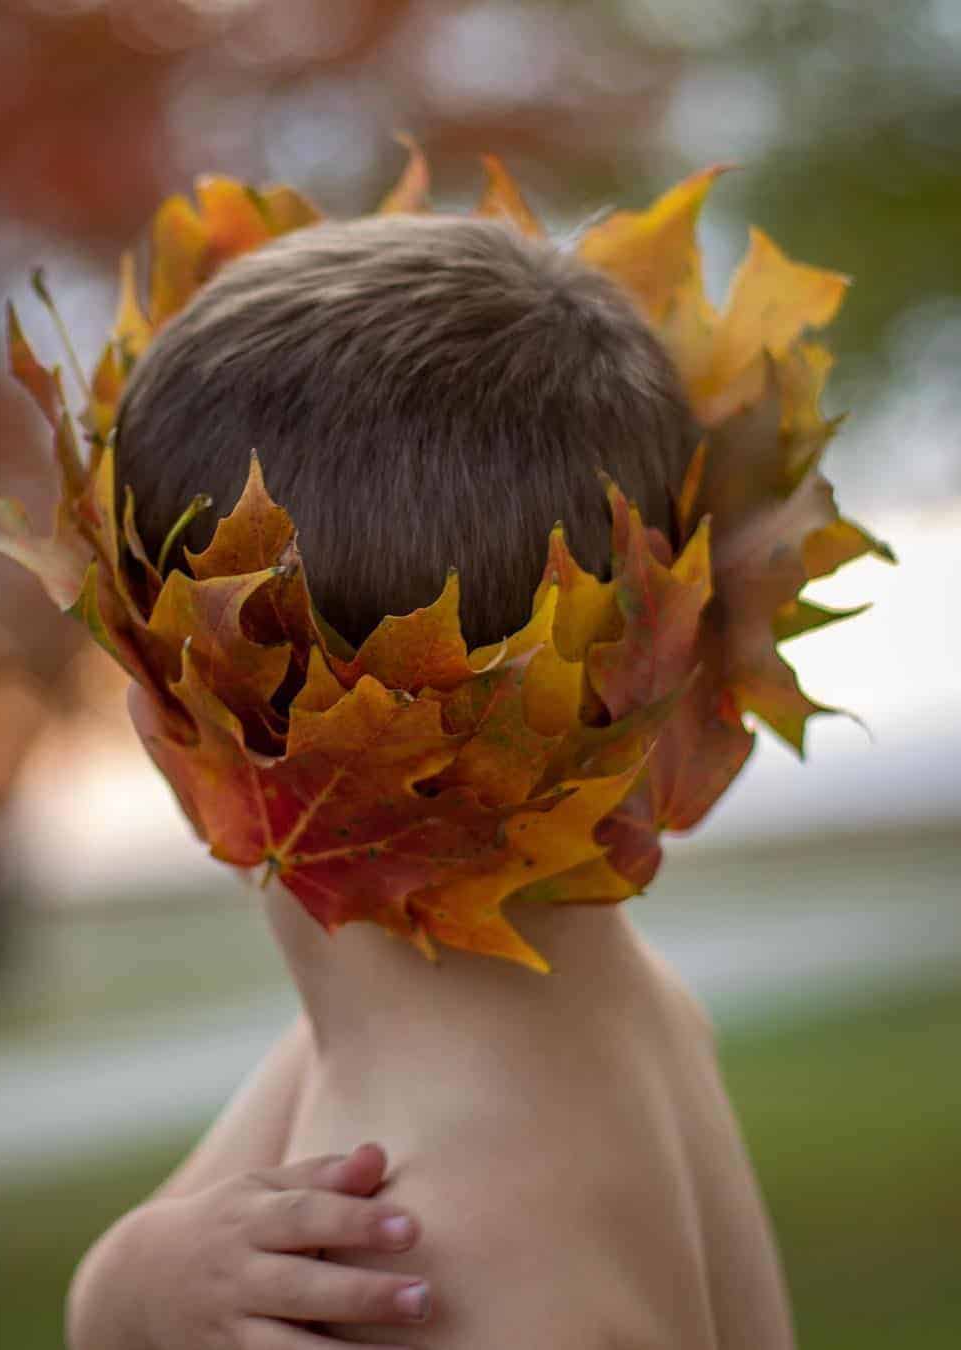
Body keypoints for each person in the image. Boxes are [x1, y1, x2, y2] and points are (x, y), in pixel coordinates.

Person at [63, 211, 797, 1349]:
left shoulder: (408, 1269)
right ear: (655, 664)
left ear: (176, 725)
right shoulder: (611, 1017)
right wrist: (129, 1288)